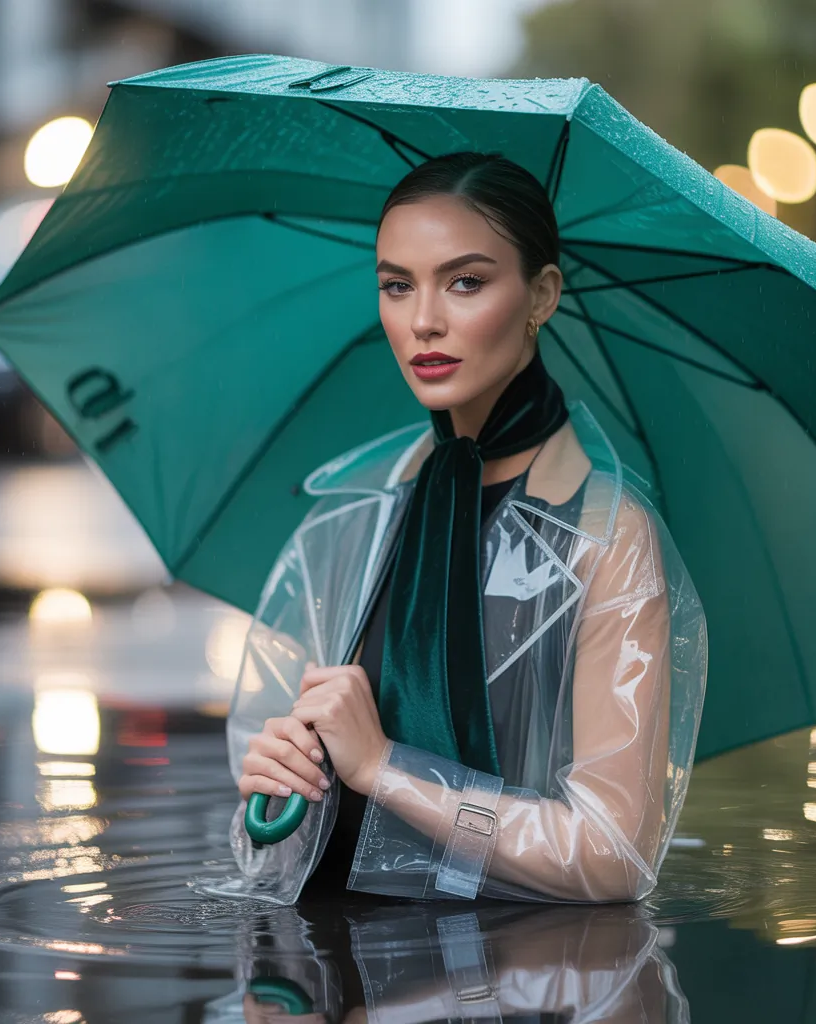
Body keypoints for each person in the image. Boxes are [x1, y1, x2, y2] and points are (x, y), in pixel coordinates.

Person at [225, 151, 707, 904]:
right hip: (331, 972)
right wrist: (283, 778)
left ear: (541, 294)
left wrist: (387, 769)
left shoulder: (606, 538)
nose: (423, 321)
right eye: (396, 285)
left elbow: (614, 854)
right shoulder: (360, 512)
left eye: (466, 282)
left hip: (520, 983)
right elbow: (277, 838)